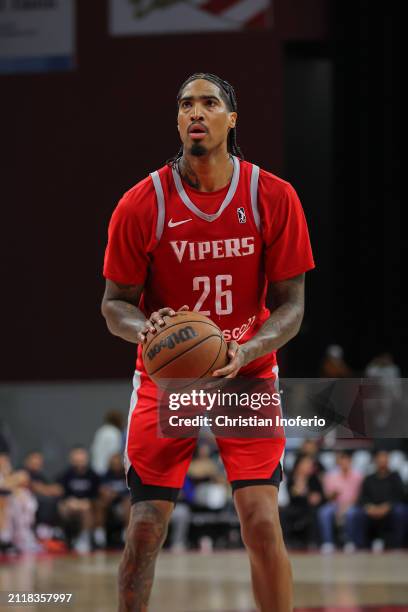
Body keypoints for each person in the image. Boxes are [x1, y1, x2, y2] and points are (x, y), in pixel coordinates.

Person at [102, 72, 315, 611]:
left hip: (244, 371)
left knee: (263, 522)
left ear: (231, 118)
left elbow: (291, 306)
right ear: (178, 121)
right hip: (168, 378)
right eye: (186, 104)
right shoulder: (141, 203)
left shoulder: (273, 196)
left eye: (210, 102)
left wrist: (248, 349)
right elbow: (115, 304)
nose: (197, 111)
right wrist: (146, 329)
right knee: (145, 531)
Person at [349, 450, 407, 550]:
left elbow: (400, 496)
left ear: (388, 460)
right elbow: (362, 497)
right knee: (355, 513)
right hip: (371, 510)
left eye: (385, 458)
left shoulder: (395, 477)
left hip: (390, 509)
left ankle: (397, 545)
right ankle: (359, 545)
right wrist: (369, 507)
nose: (382, 461)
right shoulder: (369, 478)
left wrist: (388, 506)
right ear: (375, 460)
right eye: (380, 458)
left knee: (401, 511)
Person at [318, 451, 363, 553]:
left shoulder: (358, 476)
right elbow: (328, 496)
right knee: (324, 512)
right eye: (342, 461)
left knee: (351, 513)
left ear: (351, 461)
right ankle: (328, 542)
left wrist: (346, 506)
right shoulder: (331, 475)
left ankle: (349, 541)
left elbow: (359, 496)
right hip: (334, 504)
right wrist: (333, 495)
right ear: (338, 462)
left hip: (352, 504)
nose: (344, 463)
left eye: (346, 460)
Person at [57, 446, 100, 554]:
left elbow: (96, 496)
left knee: (87, 509)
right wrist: (70, 502)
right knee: (62, 508)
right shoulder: (66, 475)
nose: (79, 459)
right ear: (72, 459)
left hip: (87, 506)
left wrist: (86, 502)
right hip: (71, 505)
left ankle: (84, 538)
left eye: (81, 456)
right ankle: (61, 536)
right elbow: (61, 493)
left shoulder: (93, 475)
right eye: (76, 457)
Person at [280, 454, 324, 549]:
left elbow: (317, 496)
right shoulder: (291, 477)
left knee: (314, 513)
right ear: (299, 464)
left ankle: (312, 541)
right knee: (284, 513)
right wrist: (305, 494)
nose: (309, 466)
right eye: (306, 464)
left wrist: (304, 494)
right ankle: (286, 540)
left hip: (309, 507)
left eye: (310, 464)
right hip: (294, 506)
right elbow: (291, 495)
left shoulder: (313, 478)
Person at [91, 410, 125, 475]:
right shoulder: (114, 433)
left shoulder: (101, 430)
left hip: (95, 468)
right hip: (107, 471)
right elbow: (114, 455)